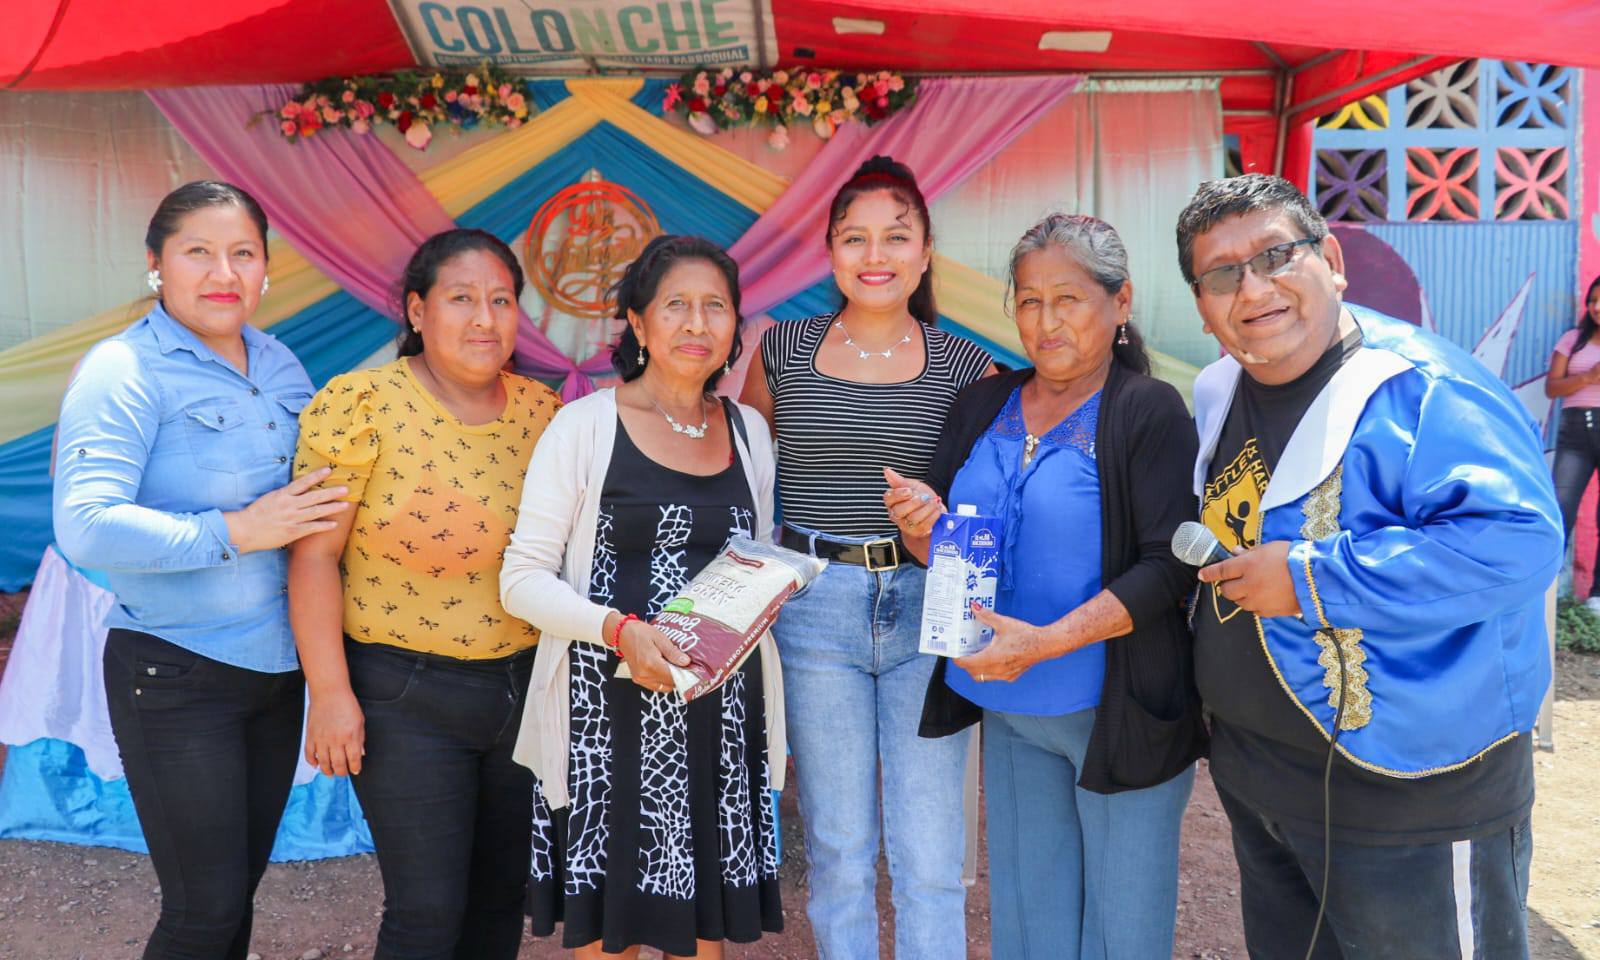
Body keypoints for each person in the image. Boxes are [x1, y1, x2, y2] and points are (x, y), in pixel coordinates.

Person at [1180, 174, 1560, 959]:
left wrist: (1314, 578)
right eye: (1221, 274)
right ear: (1201, 304)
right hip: (1260, 780)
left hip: (1413, 797)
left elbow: (1517, 543)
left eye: (1275, 256)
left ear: (1331, 259)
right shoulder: (1219, 390)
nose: (1253, 289)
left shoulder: (1424, 389)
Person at [883, 213, 1205, 959]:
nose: (1046, 321)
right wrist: (918, 525)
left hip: (1116, 710)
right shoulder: (984, 403)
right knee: (1031, 927)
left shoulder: (1146, 410)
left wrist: (1046, 642)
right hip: (1010, 707)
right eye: (1029, 301)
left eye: (1068, 299)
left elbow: (1170, 566)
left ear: (1120, 302)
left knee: (1123, 932)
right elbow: (941, 541)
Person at [53, 180, 347, 959]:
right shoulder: (125, 369)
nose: (224, 273)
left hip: (276, 674)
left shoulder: (279, 362)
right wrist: (240, 531)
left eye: (243, 253)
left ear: (266, 268)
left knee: (234, 897)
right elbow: (84, 524)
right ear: (156, 263)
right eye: (198, 252)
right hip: (177, 672)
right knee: (202, 911)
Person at [501, 235, 784, 959]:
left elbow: (755, 560)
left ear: (736, 325)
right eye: (676, 305)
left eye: (715, 307)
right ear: (637, 321)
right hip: (607, 717)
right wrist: (619, 630)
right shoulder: (584, 425)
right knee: (612, 934)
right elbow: (522, 578)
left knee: (706, 933)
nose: (697, 323)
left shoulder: (750, 432)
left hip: (719, 716)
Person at [740, 155, 993, 959]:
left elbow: (990, 511)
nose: (874, 255)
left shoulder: (967, 367)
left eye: (896, 236)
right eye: (855, 238)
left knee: (930, 855)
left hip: (927, 608)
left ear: (926, 253)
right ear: (830, 252)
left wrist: (940, 522)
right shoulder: (782, 350)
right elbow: (743, 481)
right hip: (813, 609)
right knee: (840, 850)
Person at [288, 229, 562, 959]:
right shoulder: (361, 404)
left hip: (525, 692)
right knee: (426, 914)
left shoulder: (545, 414)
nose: (484, 319)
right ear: (417, 310)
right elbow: (314, 557)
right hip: (404, 695)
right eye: (461, 298)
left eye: (501, 300)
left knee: (501, 900)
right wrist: (330, 692)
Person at [1546, 274, 1600, 609]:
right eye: (1593, 300)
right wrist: (1588, 377)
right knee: (1560, 508)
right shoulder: (1573, 340)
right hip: (1576, 430)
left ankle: (1597, 596)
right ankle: (1550, 587)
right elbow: (1552, 388)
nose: (1597, 307)